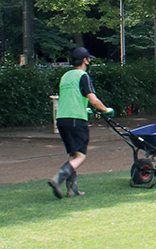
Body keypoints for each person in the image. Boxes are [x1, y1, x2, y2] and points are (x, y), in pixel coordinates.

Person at [48, 46, 113, 198]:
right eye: (88, 59)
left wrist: (85, 109)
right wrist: (106, 110)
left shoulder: (65, 76)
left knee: (73, 154)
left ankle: (72, 190)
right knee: (81, 156)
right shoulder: (83, 75)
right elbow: (93, 99)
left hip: (62, 119)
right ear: (85, 60)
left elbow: (72, 98)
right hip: (76, 119)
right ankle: (57, 178)